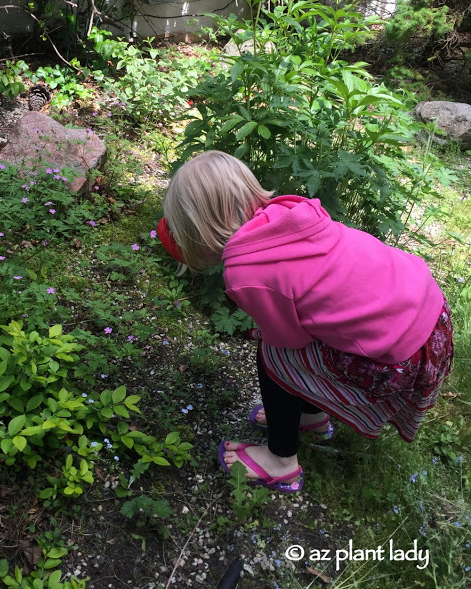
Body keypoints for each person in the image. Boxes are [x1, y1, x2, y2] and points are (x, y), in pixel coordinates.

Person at [157, 151, 453, 494]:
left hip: (404, 350)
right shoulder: (287, 213)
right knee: (292, 350)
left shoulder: (245, 271)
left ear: (197, 230)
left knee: (274, 358)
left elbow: (289, 341)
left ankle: (281, 462)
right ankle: (311, 417)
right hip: (430, 315)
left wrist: (269, 333)